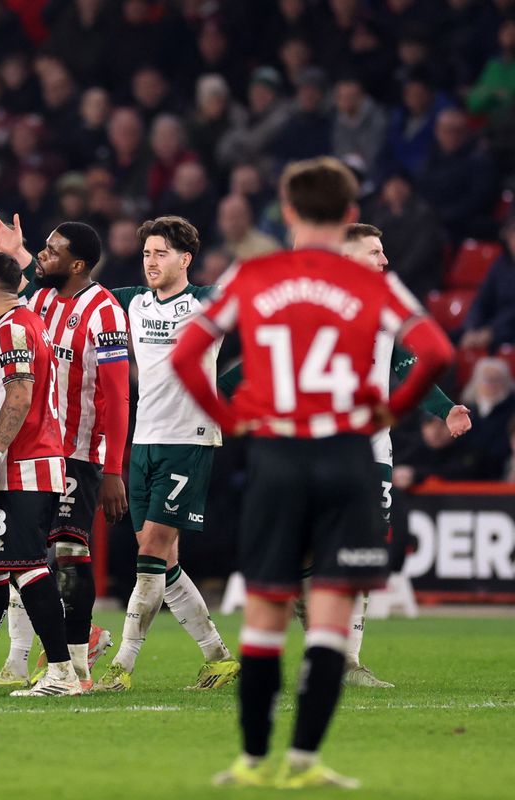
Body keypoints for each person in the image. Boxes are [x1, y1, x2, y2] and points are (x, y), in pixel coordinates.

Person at [171, 157, 453, 788]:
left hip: (278, 457)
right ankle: (305, 760)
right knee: (328, 617)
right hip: (349, 455)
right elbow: (436, 350)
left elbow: (190, 354)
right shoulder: (372, 286)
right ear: (351, 215)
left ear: (289, 212)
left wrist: (229, 416)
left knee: (267, 615)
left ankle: (249, 761)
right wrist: (393, 409)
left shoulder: (254, 275)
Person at [219, 222, 472, 688]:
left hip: (367, 450)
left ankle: (348, 663)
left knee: (360, 550)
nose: (384, 260)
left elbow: (404, 362)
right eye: (375, 251)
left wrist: (445, 407)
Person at [85, 215, 238, 693]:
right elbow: (79, 290)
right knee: (162, 561)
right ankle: (217, 657)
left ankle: (122, 665)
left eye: (161, 253)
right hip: (145, 439)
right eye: (147, 253)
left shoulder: (207, 302)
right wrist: (26, 259)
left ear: (185, 259)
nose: (151, 261)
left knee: (150, 550)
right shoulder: (131, 303)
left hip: (189, 438)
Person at [0, 212, 130, 690]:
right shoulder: (41, 299)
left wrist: (112, 469)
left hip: (82, 452)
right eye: (41, 247)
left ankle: (76, 665)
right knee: (25, 556)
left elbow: (118, 395)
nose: (42, 255)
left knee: (68, 550)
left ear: (80, 264)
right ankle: (25, 661)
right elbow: (19, 281)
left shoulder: (104, 312)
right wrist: (17, 250)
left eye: (51, 250)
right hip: (39, 451)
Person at [0, 251, 79, 697]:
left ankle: (63, 672)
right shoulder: (21, 323)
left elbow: (20, 395)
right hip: (26, 464)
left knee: (28, 568)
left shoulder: (11, 329)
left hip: (26, 465)